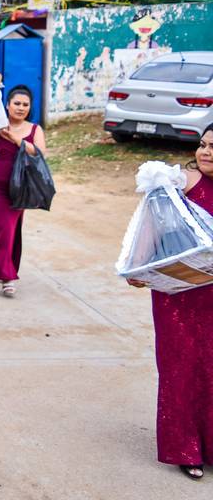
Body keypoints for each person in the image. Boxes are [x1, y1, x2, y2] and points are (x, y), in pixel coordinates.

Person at [125, 126, 213, 480]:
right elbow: (151, 226)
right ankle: (186, 449)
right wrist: (138, 263)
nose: (206, 151)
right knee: (182, 368)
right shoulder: (177, 182)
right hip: (178, 294)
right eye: (204, 144)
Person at [0, 87, 46, 297]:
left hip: (19, 188)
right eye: (17, 103)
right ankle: (6, 273)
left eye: (25, 104)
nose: (21, 108)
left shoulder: (34, 129)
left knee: (10, 229)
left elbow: (39, 153)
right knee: (4, 228)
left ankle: (7, 274)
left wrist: (15, 138)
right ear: (7, 105)